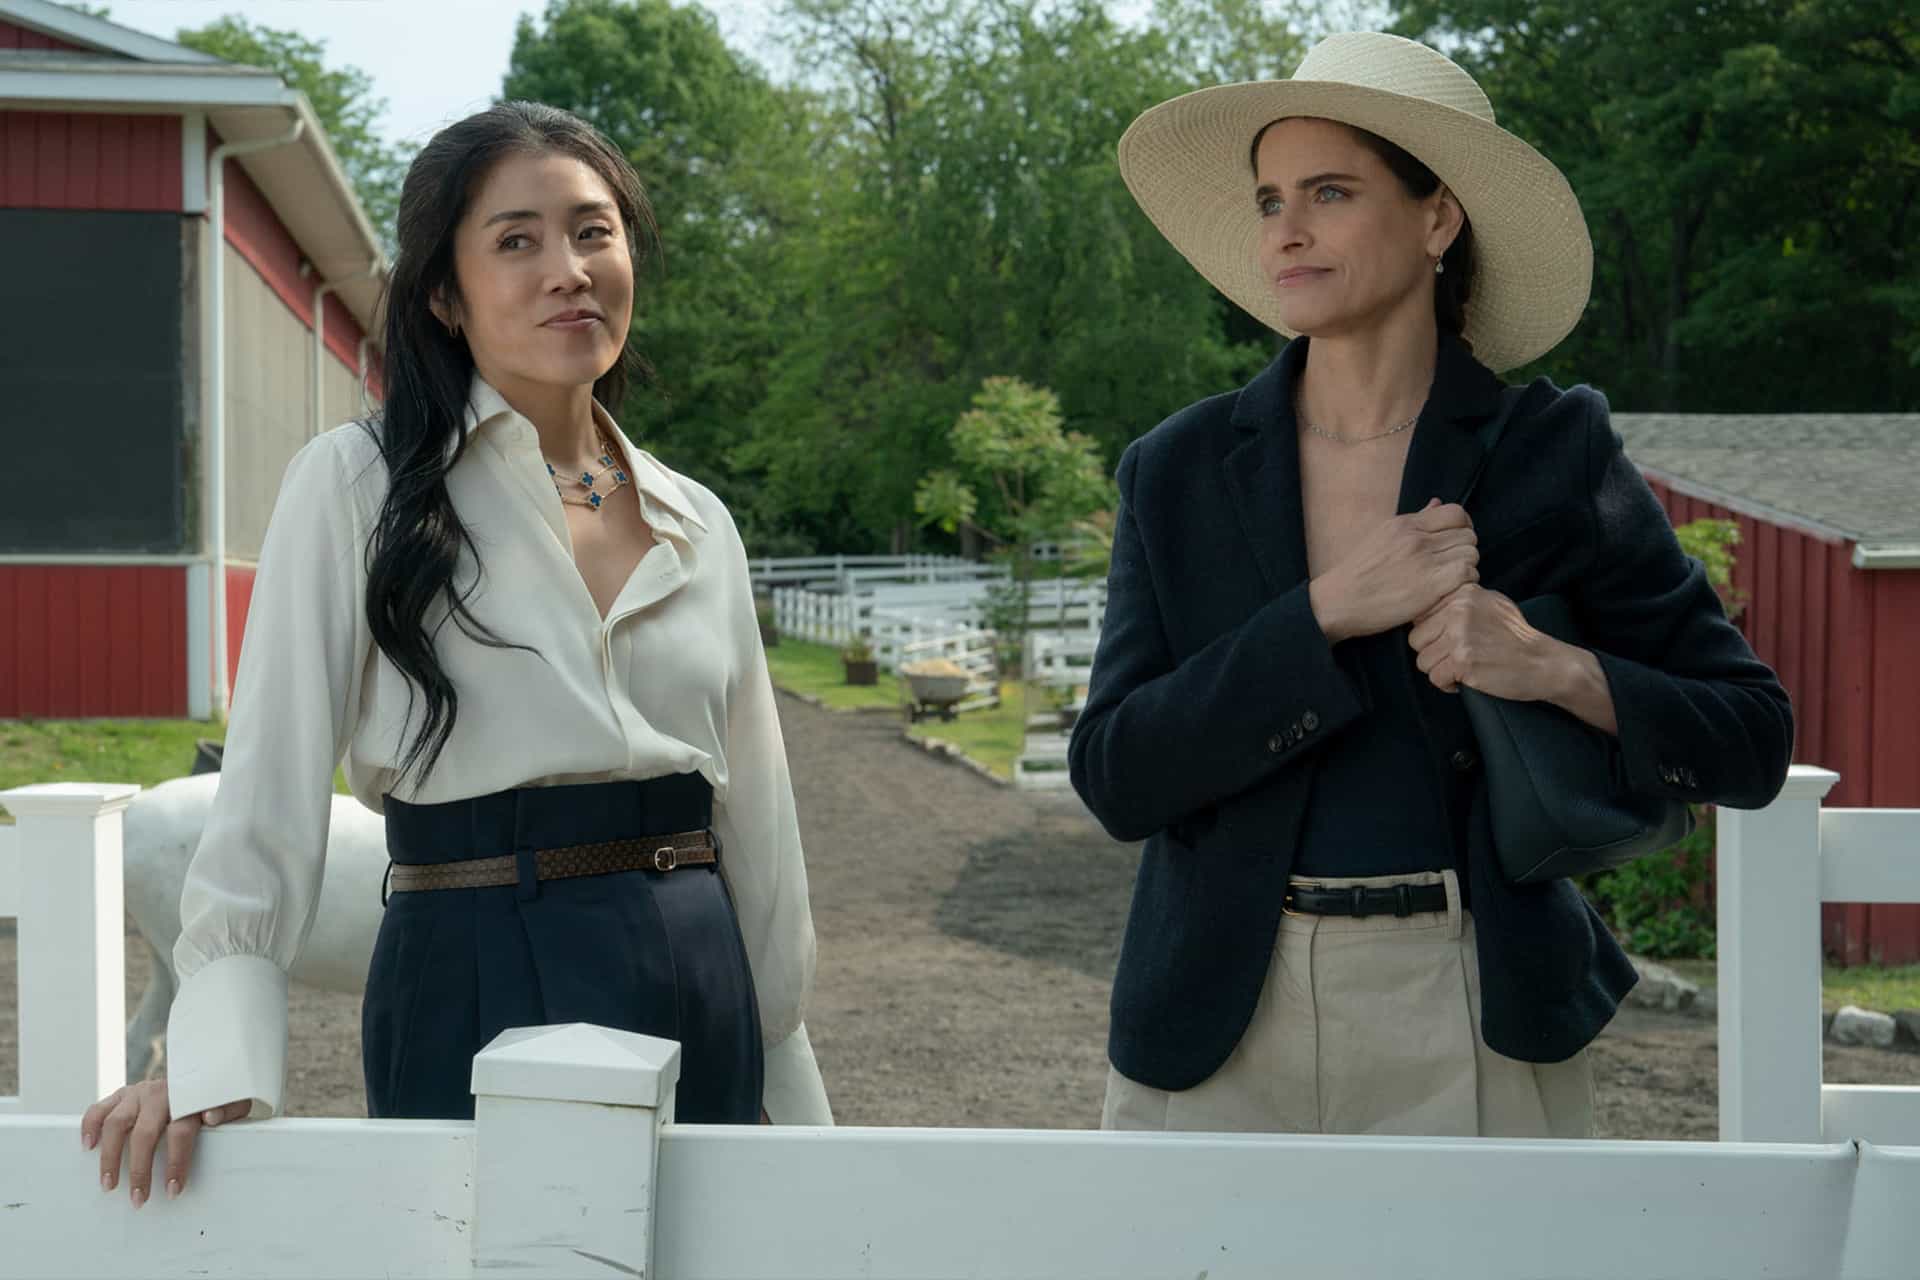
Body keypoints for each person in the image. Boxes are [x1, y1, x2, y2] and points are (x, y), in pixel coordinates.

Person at [82, 101, 830, 1207]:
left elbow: (757, 830)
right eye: (516, 240)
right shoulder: (357, 485)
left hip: (698, 963)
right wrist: (209, 1066)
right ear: (445, 290)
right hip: (475, 956)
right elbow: (268, 796)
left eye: (594, 230)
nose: (567, 269)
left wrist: (788, 1073)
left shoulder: (697, 520)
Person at [1070, 32, 1793, 1138]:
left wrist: (1549, 666)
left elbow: (1751, 737)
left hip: (1475, 1006)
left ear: (1437, 218)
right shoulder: (1174, 469)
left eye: (1330, 191)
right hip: (1218, 1024)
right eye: (1269, 201)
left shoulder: (1554, 450)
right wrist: (1322, 612)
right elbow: (1117, 773)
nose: (1288, 230)